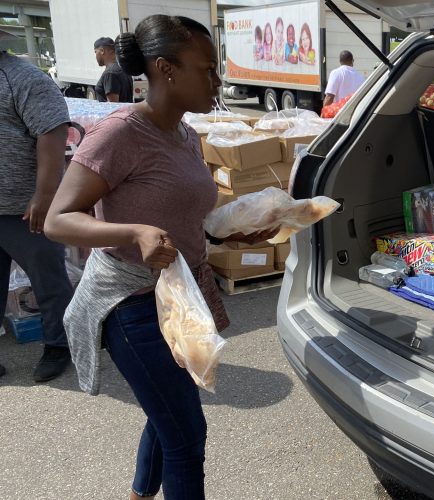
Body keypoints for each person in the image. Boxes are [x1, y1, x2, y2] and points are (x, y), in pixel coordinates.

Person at [43, 15, 277, 499]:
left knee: (166, 414)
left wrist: (232, 235)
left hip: (181, 298)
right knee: (186, 438)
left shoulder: (187, 135)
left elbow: (184, 216)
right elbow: (58, 220)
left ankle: (139, 495)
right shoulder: (120, 133)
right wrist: (133, 231)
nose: (217, 81)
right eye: (208, 69)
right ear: (166, 69)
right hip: (133, 305)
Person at [0, 50, 74, 382]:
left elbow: (53, 132)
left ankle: (59, 345)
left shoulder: (24, 78)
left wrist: (44, 196)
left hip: (23, 208)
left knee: (49, 281)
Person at [94, 37, 134, 103]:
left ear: (102, 51)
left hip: (117, 113)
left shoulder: (110, 73)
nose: (95, 56)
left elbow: (112, 106)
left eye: (95, 52)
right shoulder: (123, 67)